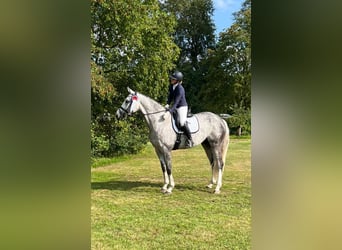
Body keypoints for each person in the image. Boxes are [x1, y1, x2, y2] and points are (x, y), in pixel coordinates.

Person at [164, 71, 193, 148]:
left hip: (182, 107)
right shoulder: (171, 86)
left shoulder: (180, 89)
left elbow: (177, 101)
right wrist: (167, 104)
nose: (171, 80)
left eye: (173, 79)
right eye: (171, 79)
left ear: (178, 80)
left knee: (182, 122)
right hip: (175, 106)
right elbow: (170, 97)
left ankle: (190, 139)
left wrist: (171, 110)